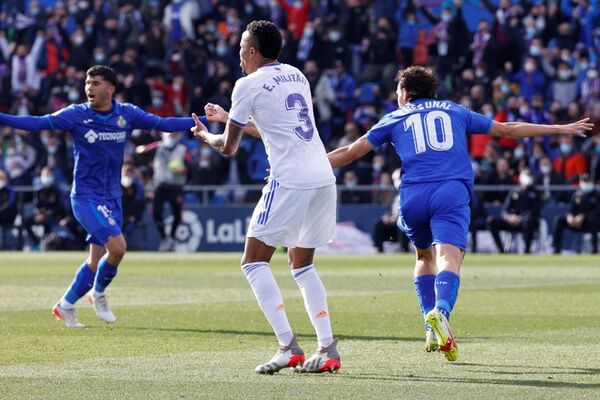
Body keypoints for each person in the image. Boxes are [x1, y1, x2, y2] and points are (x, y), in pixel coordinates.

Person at [327, 66, 593, 362]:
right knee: (449, 259)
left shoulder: (393, 117)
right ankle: (440, 312)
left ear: (404, 93)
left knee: (423, 257)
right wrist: (558, 128)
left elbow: (349, 152)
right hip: (450, 192)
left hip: (413, 194)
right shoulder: (455, 110)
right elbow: (507, 130)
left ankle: (429, 326)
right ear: (433, 92)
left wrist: (303, 166)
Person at [0, 65, 209, 328]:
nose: (89, 88)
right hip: (86, 197)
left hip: (112, 198)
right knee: (118, 247)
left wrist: (205, 118)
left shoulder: (126, 114)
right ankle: (98, 294)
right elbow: (37, 123)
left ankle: (65, 305)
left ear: (111, 88)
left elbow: (163, 124)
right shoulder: (76, 115)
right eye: (88, 83)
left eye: (96, 83)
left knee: (96, 258)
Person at [190, 20, 341, 374]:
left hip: (289, 179)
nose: (239, 53)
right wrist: (231, 118)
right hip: (321, 175)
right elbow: (279, 129)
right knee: (302, 264)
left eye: (242, 47)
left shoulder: (246, 84)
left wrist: (206, 135)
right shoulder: (297, 75)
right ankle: (328, 348)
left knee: (253, 261)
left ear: (253, 50)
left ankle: (289, 346)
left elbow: (228, 147)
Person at [488, 169, 543, 254]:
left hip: (526, 222)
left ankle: (527, 250)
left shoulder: (536, 193)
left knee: (530, 222)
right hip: (512, 221)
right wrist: (508, 217)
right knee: (491, 221)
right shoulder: (515, 191)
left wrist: (520, 218)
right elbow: (505, 209)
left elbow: (535, 212)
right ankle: (501, 250)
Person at [552, 174, 599, 254]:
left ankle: (594, 250)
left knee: (593, 219)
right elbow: (572, 209)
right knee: (559, 220)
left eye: (588, 182)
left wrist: (583, 216)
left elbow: (597, 211)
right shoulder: (576, 194)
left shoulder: (597, 194)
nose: (586, 184)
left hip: (591, 222)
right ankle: (556, 249)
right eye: (584, 181)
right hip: (576, 222)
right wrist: (569, 216)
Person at [23, 167, 65, 250]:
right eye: (45, 175)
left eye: (48, 174)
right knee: (26, 222)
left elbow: (60, 207)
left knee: (47, 222)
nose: (46, 177)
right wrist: (38, 214)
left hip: (53, 216)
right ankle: (37, 244)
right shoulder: (39, 191)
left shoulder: (56, 190)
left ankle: (46, 244)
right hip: (42, 215)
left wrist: (46, 214)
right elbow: (36, 205)